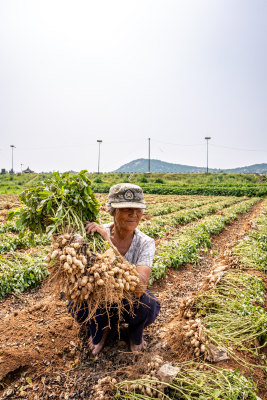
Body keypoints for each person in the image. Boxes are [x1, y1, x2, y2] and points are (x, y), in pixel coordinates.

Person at [70, 183, 160, 355]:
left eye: (138, 209)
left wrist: (108, 243)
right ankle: (100, 328)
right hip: (100, 299)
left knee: (148, 305)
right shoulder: (94, 234)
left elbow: (140, 287)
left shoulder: (145, 242)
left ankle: (134, 332)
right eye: (127, 209)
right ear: (111, 210)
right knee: (76, 303)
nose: (134, 214)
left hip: (129, 301)